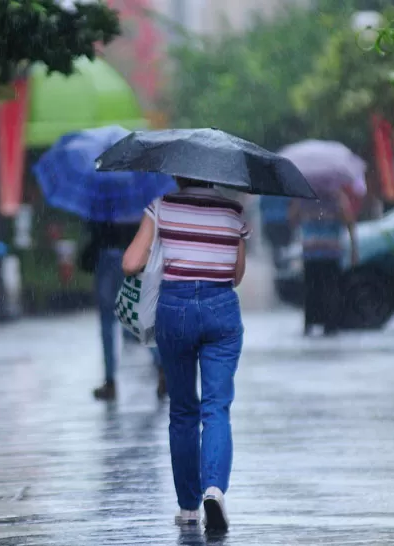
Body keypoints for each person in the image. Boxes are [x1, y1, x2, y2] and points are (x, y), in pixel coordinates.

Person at [122, 177, 250, 532]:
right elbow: (236, 276)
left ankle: (189, 507)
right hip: (221, 309)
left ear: (179, 174)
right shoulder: (233, 211)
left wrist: (158, 246)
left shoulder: (161, 205)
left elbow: (130, 262)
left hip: (174, 309)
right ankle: (214, 489)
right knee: (216, 407)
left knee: (182, 410)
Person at [86, 219, 165, 401]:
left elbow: (93, 231)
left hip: (107, 259)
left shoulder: (101, 200)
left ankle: (110, 382)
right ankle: (162, 369)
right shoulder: (134, 200)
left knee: (108, 324)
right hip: (131, 259)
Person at [289, 187, 359, 336]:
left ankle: (311, 323)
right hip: (331, 251)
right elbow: (349, 221)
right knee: (331, 289)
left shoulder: (302, 196)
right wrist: (354, 249)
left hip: (311, 251)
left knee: (311, 290)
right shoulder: (337, 197)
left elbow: (292, 219)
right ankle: (330, 324)